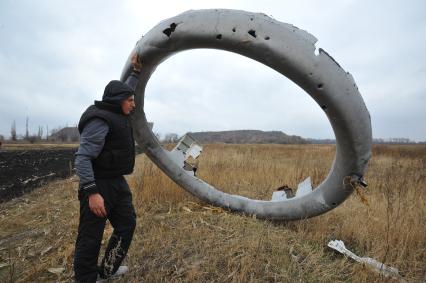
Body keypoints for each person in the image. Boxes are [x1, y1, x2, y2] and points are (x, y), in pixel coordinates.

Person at [73, 52, 141, 283]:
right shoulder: (99, 120)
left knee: (127, 224)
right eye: (130, 100)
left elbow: (126, 90)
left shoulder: (116, 110)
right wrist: (92, 193)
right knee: (90, 237)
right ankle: (87, 279)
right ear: (118, 100)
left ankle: (109, 270)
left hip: (116, 182)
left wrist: (136, 72)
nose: (133, 103)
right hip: (98, 183)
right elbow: (82, 158)